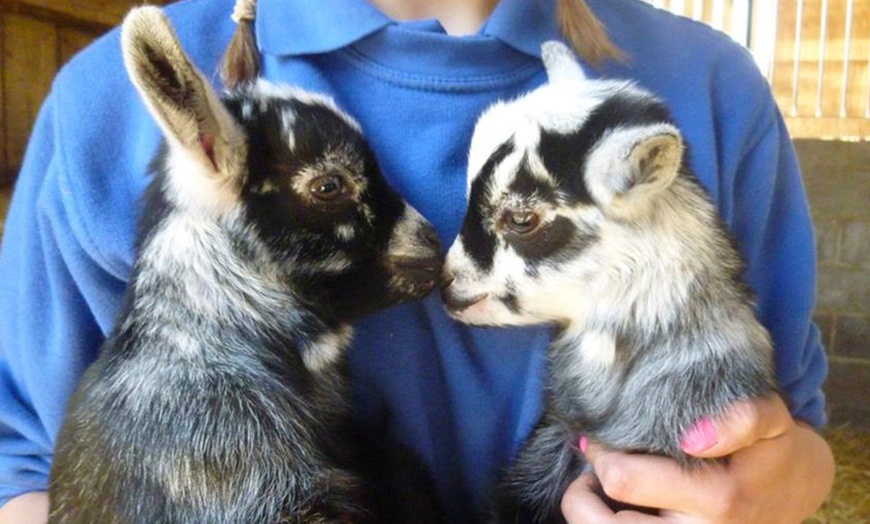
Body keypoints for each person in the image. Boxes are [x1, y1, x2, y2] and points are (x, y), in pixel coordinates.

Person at [0, 0, 834, 522]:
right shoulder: (104, 109)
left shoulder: (706, 89)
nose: (437, 262)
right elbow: (27, 471)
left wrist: (774, 487)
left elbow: (792, 442)